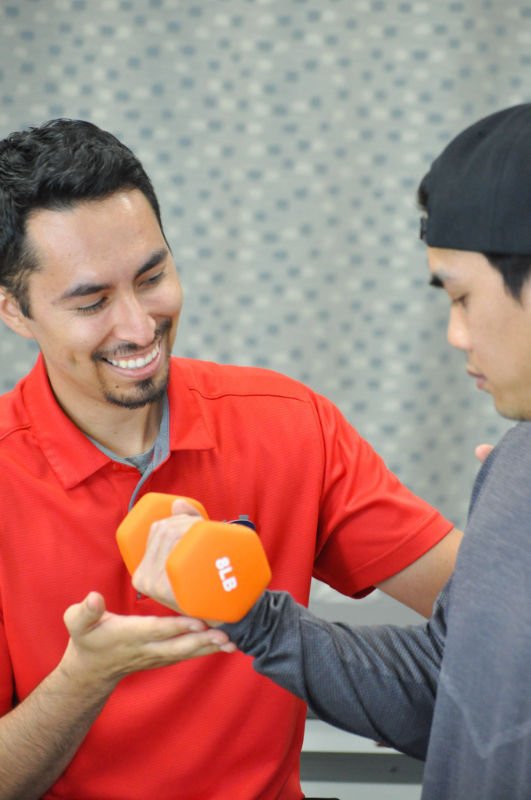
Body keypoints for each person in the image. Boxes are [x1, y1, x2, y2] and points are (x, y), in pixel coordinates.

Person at [0, 119, 461, 800]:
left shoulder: (288, 423)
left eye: (152, 277)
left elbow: (486, 607)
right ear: (14, 310)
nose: (137, 325)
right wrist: (85, 675)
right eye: (91, 301)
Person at [134, 103, 531, 800]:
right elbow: (447, 687)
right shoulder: (514, 463)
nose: (455, 335)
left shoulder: (291, 427)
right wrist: (254, 620)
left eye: (463, 298)